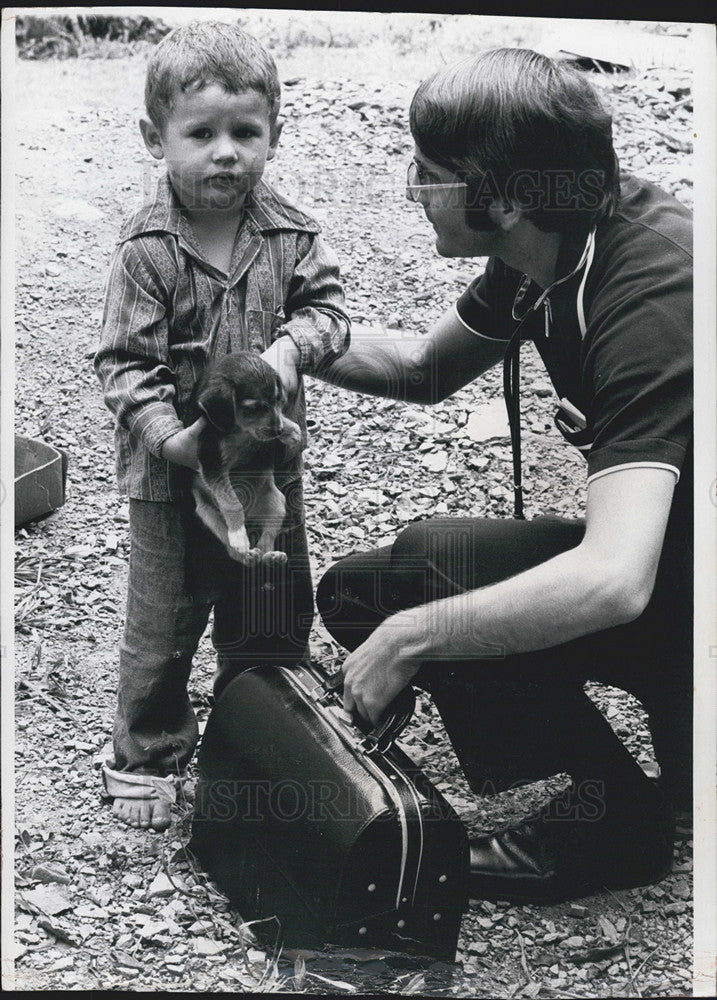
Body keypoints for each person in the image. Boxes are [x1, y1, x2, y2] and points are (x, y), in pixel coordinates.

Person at [315, 48, 692, 903]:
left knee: (419, 597)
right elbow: (421, 368)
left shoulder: (651, 302)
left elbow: (610, 582)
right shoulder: (552, 237)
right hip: (680, 566)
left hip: (675, 597)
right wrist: (286, 341)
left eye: (429, 171)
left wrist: (414, 639)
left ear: (507, 196)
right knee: (362, 591)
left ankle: (615, 831)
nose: (411, 188)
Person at [95, 21, 349, 832]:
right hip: (171, 478)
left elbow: (331, 316)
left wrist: (288, 346)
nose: (225, 152)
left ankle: (265, 741)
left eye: (246, 131)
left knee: (270, 606)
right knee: (162, 627)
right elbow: (123, 364)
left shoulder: (291, 233)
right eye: (200, 134)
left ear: (274, 132)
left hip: (269, 466)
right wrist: (171, 437)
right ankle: (150, 755)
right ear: (155, 138)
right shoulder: (146, 251)